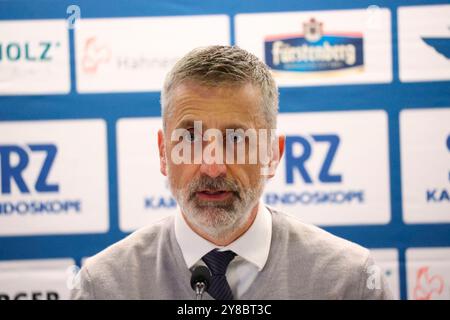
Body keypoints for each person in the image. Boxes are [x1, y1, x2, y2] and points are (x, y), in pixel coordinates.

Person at [70, 45, 393, 300]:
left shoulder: (350, 281)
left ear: (273, 154)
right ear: (163, 152)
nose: (212, 166)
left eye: (236, 139)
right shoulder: (104, 285)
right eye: (190, 138)